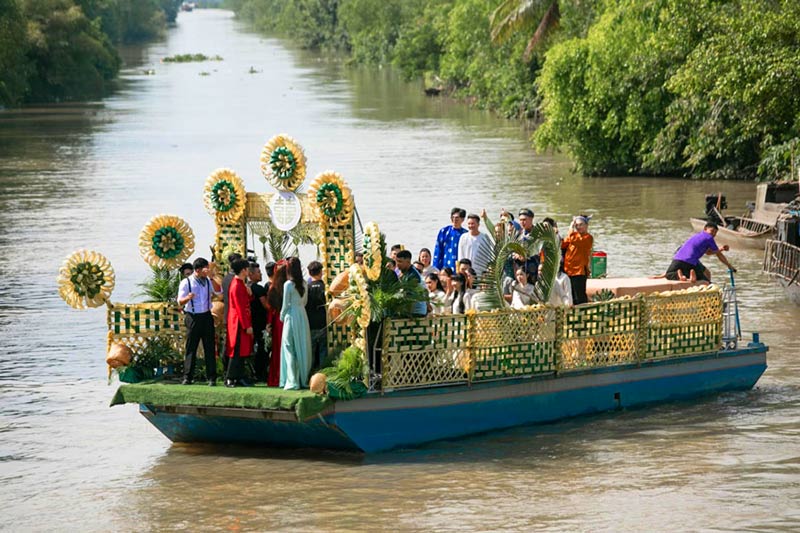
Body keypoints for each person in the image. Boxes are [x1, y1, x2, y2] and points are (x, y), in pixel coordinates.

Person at [177, 257, 221, 385]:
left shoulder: (207, 281)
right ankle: (188, 376)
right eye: (205, 268)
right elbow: (180, 302)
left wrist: (213, 280)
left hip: (206, 316)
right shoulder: (187, 283)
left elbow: (218, 293)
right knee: (192, 347)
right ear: (197, 270)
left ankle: (211, 377)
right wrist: (188, 298)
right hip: (193, 316)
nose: (207, 270)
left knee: (209, 347)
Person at [280, 257, 312, 390]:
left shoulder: (288, 284)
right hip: (302, 315)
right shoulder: (304, 283)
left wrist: (282, 316)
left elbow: (285, 304)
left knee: (289, 347)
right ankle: (302, 379)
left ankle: (292, 380)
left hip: (291, 315)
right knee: (302, 347)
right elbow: (305, 302)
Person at [666, 222, 735, 282]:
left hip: (677, 260)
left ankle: (680, 276)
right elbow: (719, 254)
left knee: (669, 275)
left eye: (715, 233)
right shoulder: (709, 238)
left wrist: (721, 249)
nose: (713, 234)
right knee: (705, 282)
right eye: (712, 231)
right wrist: (729, 265)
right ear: (705, 229)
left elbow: (708, 252)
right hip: (690, 263)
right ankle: (689, 278)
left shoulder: (697, 236)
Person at [224, 259, 253, 387]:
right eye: (247, 269)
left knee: (242, 351)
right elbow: (240, 307)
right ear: (243, 270)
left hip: (241, 320)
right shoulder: (236, 285)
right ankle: (230, 377)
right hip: (238, 322)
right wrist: (247, 325)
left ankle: (239, 376)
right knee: (236, 351)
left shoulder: (240, 283)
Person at [561, 215, 593, 305]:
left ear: (586, 225)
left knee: (579, 296)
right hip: (568, 270)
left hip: (579, 271)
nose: (578, 227)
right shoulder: (572, 236)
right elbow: (563, 244)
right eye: (577, 225)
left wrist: (570, 228)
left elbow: (575, 241)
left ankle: (583, 315)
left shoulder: (588, 238)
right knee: (570, 296)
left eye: (581, 224)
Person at [266, 261, 288, 386]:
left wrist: (269, 323)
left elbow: (270, 309)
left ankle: (276, 376)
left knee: (277, 349)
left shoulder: (273, 287)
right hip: (288, 319)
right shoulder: (290, 285)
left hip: (277, 320)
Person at [247, 261, 269, 383]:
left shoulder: (247, 287)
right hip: (259, 323)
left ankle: (254, 372)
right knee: (262, 349)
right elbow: (266, 305)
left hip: (250, 322)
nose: (261, 275)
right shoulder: (258, 288)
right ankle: (260, 373)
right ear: (251, 274)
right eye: (259, 273)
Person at [305, 261, 327, 371]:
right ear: (320, 272)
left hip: (310, 323)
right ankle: (323, 373)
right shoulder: (324, 287)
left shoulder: (307, 288)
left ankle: (310, 374)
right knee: (323, 349)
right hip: (323, 322)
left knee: (311, 350)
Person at [395, 250, 427, 317]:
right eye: (396, 261)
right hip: (409, 311)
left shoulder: (413, 275)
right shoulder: (404, 273)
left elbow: (408, 297)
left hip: (416, 313)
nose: (397, 264)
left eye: (400, 261)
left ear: (408, 261)